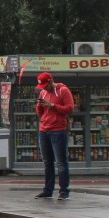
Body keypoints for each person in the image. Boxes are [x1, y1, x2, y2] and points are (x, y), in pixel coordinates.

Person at [34, 72, 74, 200]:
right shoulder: (43, 93)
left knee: (61, 162)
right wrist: (40, 105)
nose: (45, 88)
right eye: (42, 87)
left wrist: (52, 105)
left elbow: (70, 109)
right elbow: (40, 112)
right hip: (44, 129)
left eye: (46, 85)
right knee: (47, 162)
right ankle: (48, 190)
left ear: (51, 82)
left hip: (58, 130)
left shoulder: (63, 90)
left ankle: (64, 190)